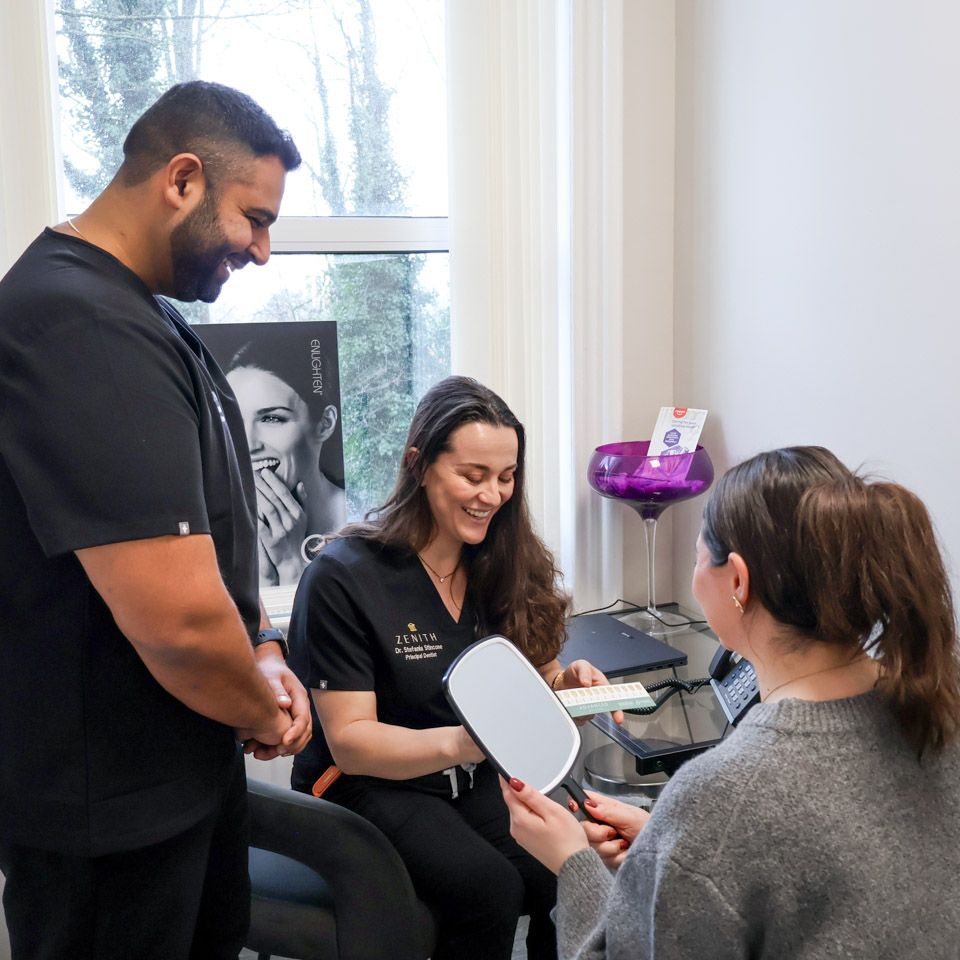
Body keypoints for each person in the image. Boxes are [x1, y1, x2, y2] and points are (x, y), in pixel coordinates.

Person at [0, 81, 314, 960]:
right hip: (112, 810)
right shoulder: (73, 322)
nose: (260, 251)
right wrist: (262, 708)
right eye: (253, 219)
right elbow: (175, 619)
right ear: (182, 179)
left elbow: (211, 536)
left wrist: (261, 652)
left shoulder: (144, 313)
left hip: (178, 777)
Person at [502, 445, 960, 959]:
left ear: (738, 580)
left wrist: (572, 862)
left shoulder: (724, 794)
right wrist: (669, 844)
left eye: (698, 556)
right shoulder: (939, 707)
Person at [288, 375, 619, 960]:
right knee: (488, 890)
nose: (491, 495)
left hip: (464, 775)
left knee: (568, 867)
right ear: (419, 464)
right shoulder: (343, 577)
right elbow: (353, 744)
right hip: (365, 784)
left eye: (506, 477)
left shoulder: (503, 562)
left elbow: (538, 681)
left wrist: (569, 689)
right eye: (472, 475)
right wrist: (471, 743)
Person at [225, 338, 346, 586]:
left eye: (271, 418)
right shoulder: (214, 534)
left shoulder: (365, 526)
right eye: (234, 420)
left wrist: (291, 567)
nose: (247, 445)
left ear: (324, 424)